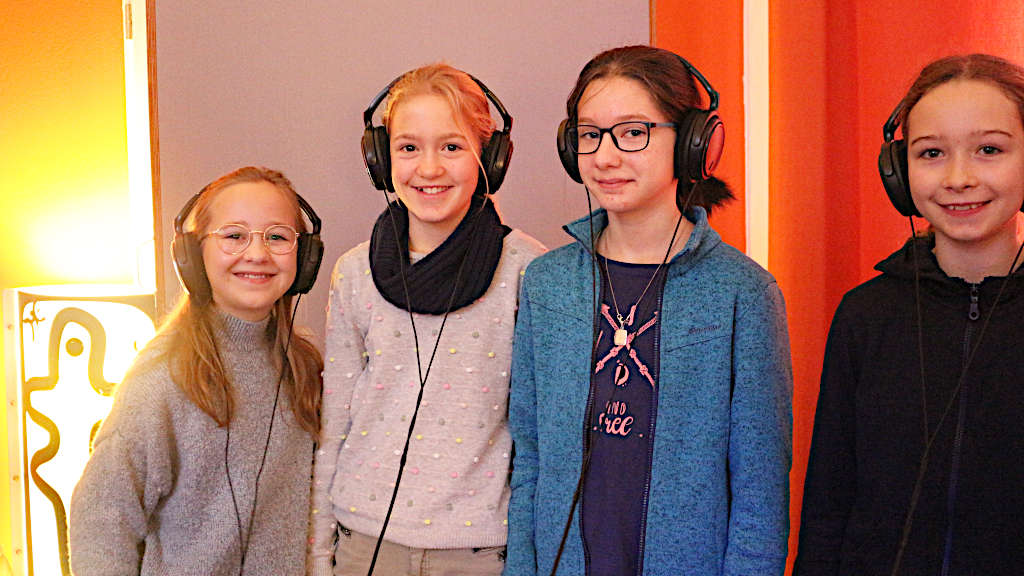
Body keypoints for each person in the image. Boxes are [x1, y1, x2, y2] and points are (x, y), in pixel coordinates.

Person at [505, 45, 793, 576]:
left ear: (691, 143)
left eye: (633, 132)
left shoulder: (743, 294)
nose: (605, 157)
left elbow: (759, 490)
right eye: (589, 135)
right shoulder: (547, 284)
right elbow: (530, 459)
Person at [308, 63, 545, 576]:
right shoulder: (354, 272)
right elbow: (335, 421)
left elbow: (541, 437)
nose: (429, 168)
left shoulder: (529, 270)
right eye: (408, 147)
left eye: (452, 147)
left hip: (479, 551)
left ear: (491, 158)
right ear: (380, 158)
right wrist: (319, 553)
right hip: (363, 542)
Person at [795, 53, 1024, 576]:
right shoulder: (865, 316)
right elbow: (829, 501)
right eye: (932, 153)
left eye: (989, 150)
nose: (959, 178)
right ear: (898, 172)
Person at [69, 166, 324, 575]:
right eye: (234, 236)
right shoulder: (162, 377)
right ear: (191, 256)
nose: (257, 254)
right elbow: (102, 519)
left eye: (277, 237)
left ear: (305, 256)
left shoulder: (304, 368)